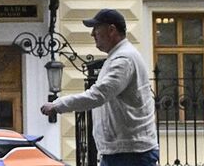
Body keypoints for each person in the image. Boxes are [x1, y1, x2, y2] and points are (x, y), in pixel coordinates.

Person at [41, 9, 158, 166]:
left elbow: (98, 95)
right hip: (122, 151)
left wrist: (57, 105)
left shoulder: (123, 60)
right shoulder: (118, 57)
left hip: (130, 153)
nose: (92, 34)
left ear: (111, 30)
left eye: (96, 28)